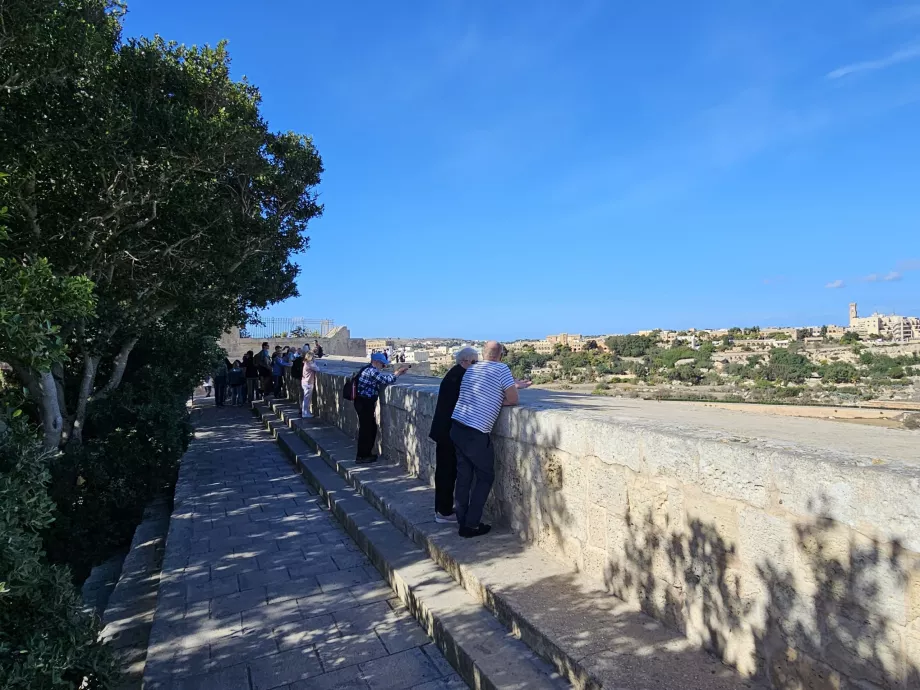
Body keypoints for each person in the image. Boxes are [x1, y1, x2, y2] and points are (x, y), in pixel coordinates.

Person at [450, 341, 531, 538]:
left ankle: (462, 518)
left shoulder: (472, 369)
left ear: (483, 354)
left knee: (464, 475)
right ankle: (471, 525)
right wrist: (498, 398)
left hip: (457, 425)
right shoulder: (502, 368)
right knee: (485, 476)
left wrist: (493, 396)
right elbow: (513, 400)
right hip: (475, 431)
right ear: (501, 355)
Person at [428, 347, 478, 523]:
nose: (476, 365)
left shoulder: (454, 374)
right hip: (448, 432)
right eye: (475, 362)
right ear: (465, 361)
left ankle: (442, 509)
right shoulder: (461, 376)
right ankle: (443, 512)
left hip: (443, 430)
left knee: (445, 471)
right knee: (447, 472)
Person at [354, 352, 409, 464]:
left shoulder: (366, 369)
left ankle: (365, 454)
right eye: (383, 365)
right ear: (377, 362)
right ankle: (362, 456)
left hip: (362, 402)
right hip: (365, 403)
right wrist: (398, 373)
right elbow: (385, 380)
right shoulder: (372, 371)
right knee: (367, 430)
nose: (383, 367)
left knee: (370, 428)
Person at [301, 351, 319, 418]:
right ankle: (305, 413)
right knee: (307, 399)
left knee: (307, 399)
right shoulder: (309, 364)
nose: (314, 357)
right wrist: (314, 361)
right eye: (313, 356)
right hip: (308, 383)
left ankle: (306, 412)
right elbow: (317, 369)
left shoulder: (306, 363)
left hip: (305, 382)